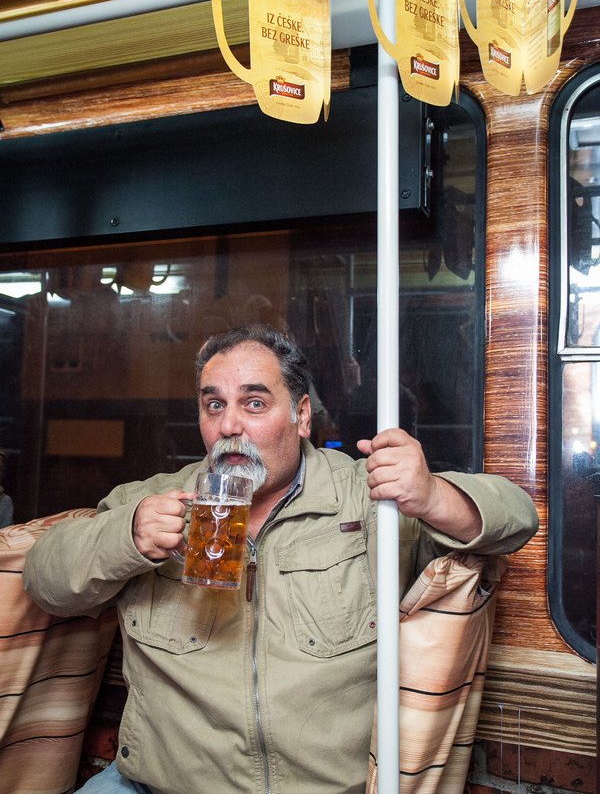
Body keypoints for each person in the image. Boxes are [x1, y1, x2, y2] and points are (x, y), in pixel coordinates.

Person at [23, 324, 539, 794]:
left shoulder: (365, 501)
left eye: (254, 403)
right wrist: (128, 537)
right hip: (159, 783)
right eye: (213, 405)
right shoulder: (156, 499)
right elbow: (45, 581)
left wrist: (431, 495)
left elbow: (516, 518)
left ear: (302, 416)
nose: (229, 425)